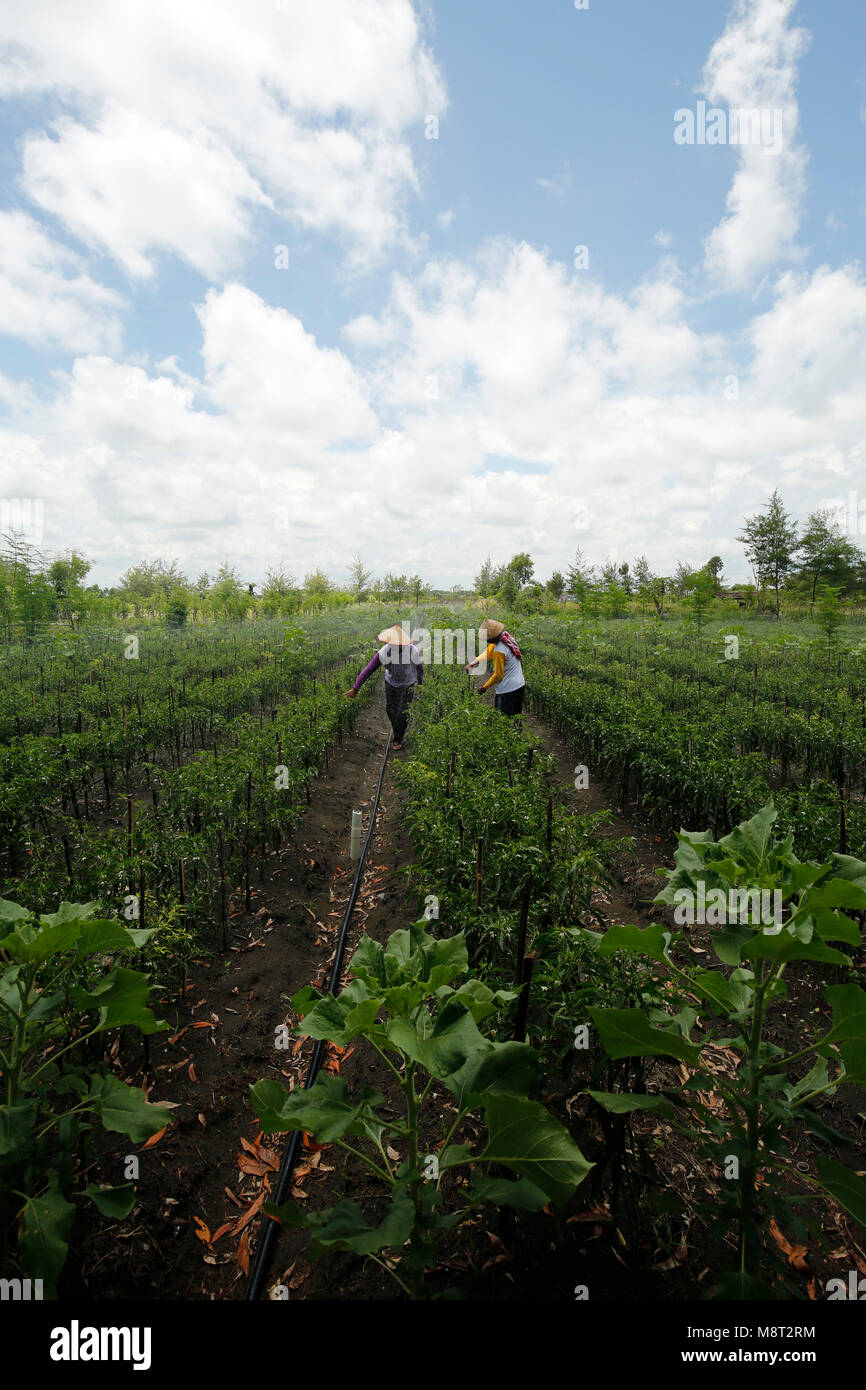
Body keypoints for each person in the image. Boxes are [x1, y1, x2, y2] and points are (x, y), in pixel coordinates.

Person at [344, 624, 423, 749]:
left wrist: (420, 682)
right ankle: (397, 730)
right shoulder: (384, 653)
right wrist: (355, 688)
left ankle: (398, 739)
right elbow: (368, 670)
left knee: (403, 712)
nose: (396, 646)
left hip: (408, 683)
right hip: (391, 682)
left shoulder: (413, 651)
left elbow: (419, 667)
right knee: (390, 709)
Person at [466, 619, 525, 717]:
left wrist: (484, 687)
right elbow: (488, 652)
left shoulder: (499, 650)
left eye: (487, 639)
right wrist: (474, 662)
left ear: (491, 639)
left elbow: (498, 675)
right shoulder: (506, 637)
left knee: (502, 720)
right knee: (516, 716)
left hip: (508, 689)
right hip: (519, 684)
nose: (486, 641)